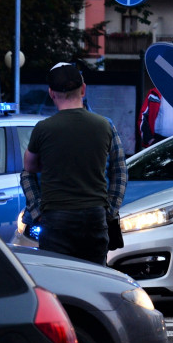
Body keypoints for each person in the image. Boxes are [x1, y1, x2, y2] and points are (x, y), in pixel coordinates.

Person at [21, 63, 127, 265]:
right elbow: (120, 172)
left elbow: (28, 170)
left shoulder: (43, 129)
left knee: (60, 282)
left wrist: (38, 213)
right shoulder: (105, 125)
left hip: (56, 218)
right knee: (94, 280)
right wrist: (109, 211)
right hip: (95, 217)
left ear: (51, 93)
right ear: (83, 89)